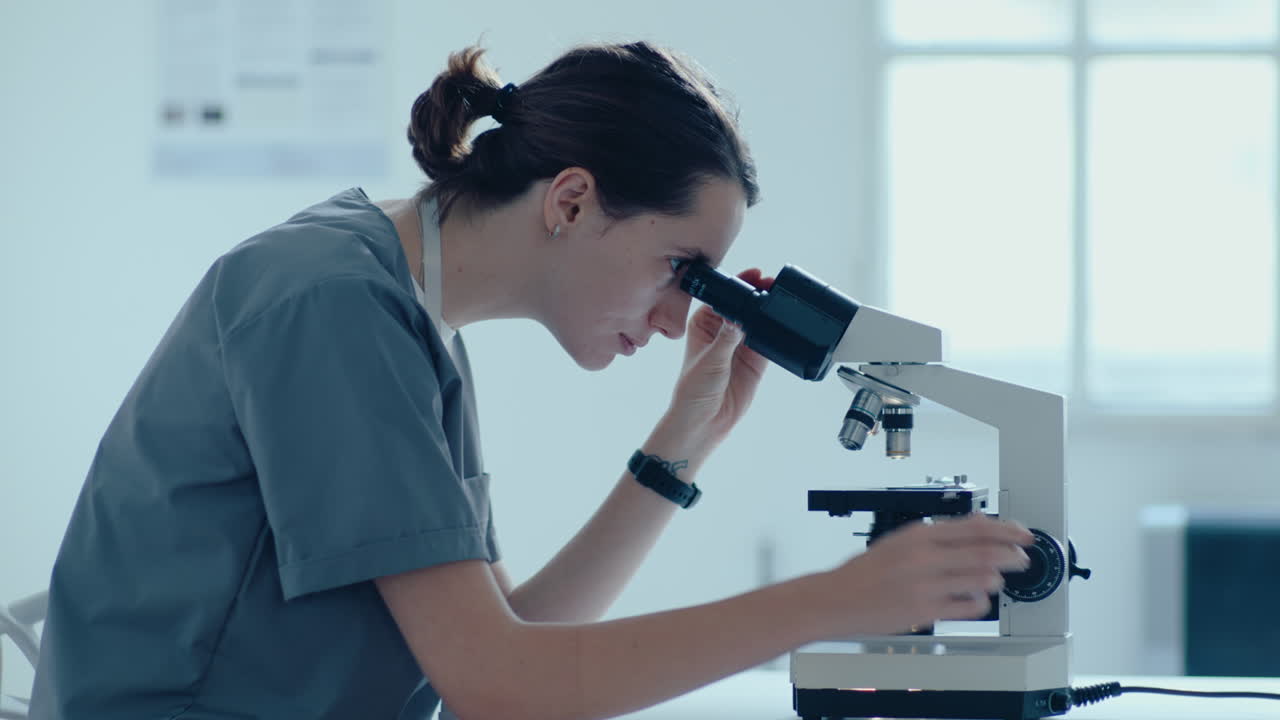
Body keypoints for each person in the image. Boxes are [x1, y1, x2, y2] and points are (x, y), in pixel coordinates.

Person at [29, 41, 1032, 719]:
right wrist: (829, 603)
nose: (683, 313)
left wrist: (684, 441)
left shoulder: (408, 319)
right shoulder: (326, 303)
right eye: (679, 268)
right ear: (569, 200)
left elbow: (512, 641)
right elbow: (498, 685)